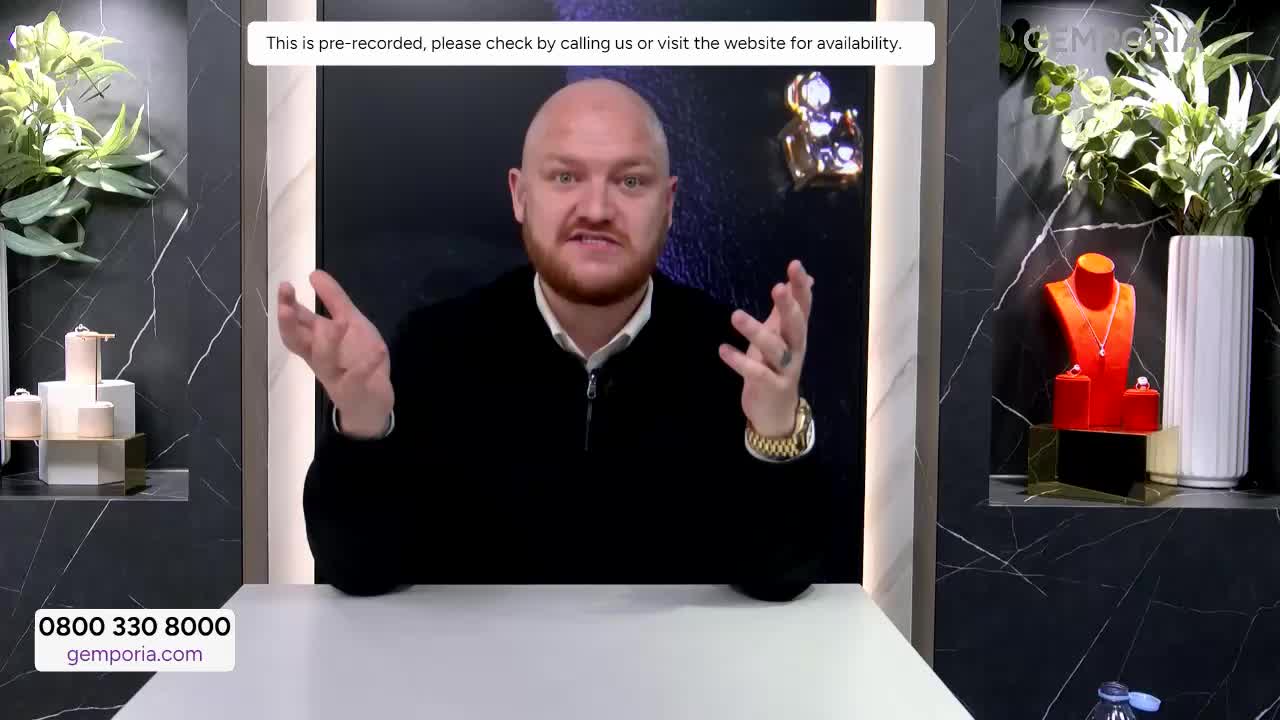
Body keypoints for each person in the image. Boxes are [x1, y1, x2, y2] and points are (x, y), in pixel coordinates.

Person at [279, 77, 831, 602]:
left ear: (668, 204)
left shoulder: (730, 358)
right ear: (520, 195)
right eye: (566, 177)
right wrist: (363, 426)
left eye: (630, 181)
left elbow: (779, 578)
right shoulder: (436, 346)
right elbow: (358, 571)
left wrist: (774, 431)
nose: (596, 209)